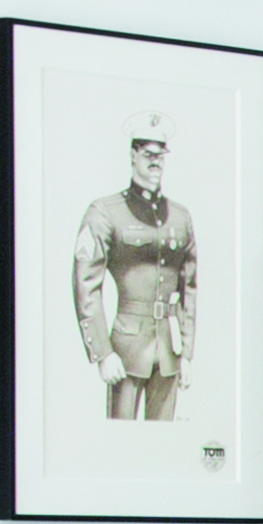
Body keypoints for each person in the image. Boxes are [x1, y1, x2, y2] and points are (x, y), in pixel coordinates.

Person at [69, 128, 196, 423]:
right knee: (120, 445)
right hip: (125, 351)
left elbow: (189, 287)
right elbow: (86, 284)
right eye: (148, 155)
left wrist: (187, 353)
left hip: (169, 351)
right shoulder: (106, 212)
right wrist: (102, 352)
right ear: (133, 156)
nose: (155, 163)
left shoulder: (179, 216)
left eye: (160, 156)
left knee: (162, 445)